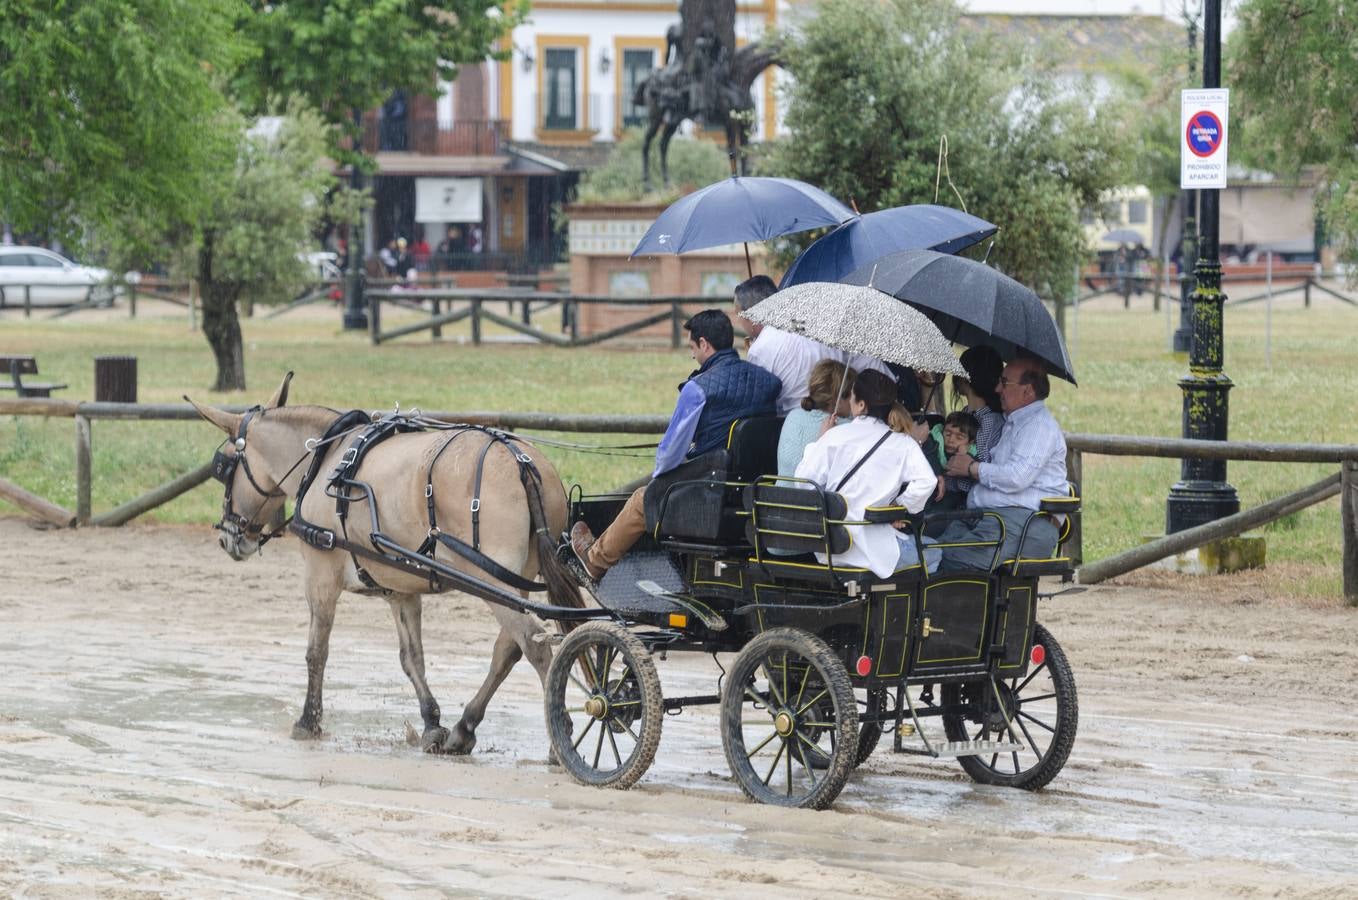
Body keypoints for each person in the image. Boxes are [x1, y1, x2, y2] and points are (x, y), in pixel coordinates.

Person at [570, 310, 781, 580]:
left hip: (712, 485)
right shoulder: (768, 382)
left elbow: (670, 455)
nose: (693, 355)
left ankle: (595, 560)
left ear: (704, 344)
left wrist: (661, 481)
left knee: (641, 500)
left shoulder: (699, 389)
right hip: (752, 485)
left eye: (692, 347)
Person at [794, 370, 940, 577]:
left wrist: (819, 441)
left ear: (861, 404)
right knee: (935, 550)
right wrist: (899, 507)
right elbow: (927, 481)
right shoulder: (903, 444)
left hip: (830, 550)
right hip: (875, 552)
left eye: (851, 395)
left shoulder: (834, 437)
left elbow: (803, 483)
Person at [937, 357, 1068, 571]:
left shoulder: (1037, 427)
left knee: (947, 559)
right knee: (929, 549)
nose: (997, 389)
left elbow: (1017, 477)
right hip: (991, 519)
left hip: (1021, 524)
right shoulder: (1015, 422)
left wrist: (972, 468)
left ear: (1028, 390)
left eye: (1004, 383)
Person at [735, 275, 892, 415]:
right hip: (839, 412)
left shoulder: (760, 349)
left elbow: (758, 402)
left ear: (751, 315)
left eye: (739, 314)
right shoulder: (819, 322)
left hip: (789, 420)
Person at [776, 360, 856, 480]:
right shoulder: (847, 428)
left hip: (774, 497)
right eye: (853, 394)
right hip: (812, 498)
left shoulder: (793, 416)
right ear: (838, 400)